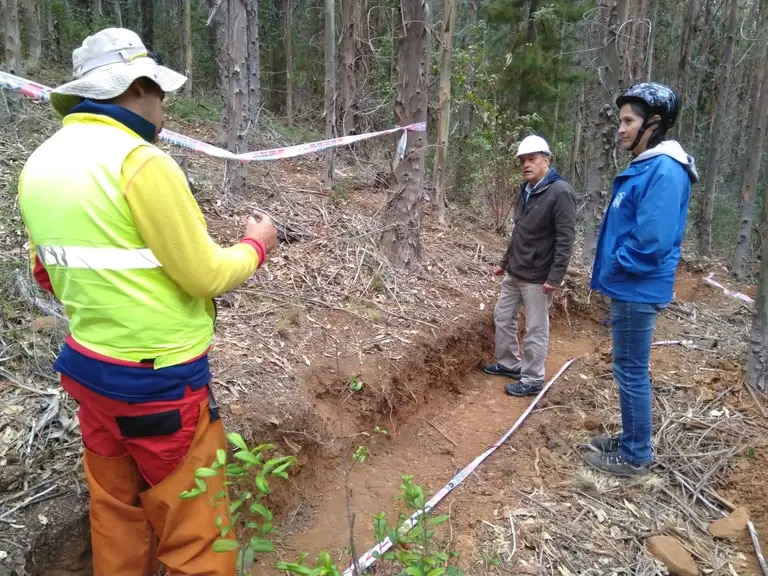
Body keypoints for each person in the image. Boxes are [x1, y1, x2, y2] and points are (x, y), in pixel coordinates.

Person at [17, 28, 277, 575]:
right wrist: (257, 245)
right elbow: (206, 274)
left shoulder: (39, 164)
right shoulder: (140, 162)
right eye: (160, 93)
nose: (164, 109)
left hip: (89, 371)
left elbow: (48, 274)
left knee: (114, 514)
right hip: (160, 385)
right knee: (195, 532)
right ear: (137, 87)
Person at [584, 82, 699, 478]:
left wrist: (615, 266)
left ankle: (635, 456)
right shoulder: (648, 165)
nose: (620, 128)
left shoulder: (665, 170)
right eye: (621, 121)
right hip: (631, 285)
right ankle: (633, 439)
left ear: (654, 123)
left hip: (636, 286)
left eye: (628, 121)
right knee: (628, 367)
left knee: (631, 370)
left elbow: (652, 239)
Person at [483, 135, 577, 397]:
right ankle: (509, 363)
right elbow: (519, 232)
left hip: (539, 277)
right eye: (523, 160)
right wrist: (505, 262)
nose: (526, 164)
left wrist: (555, 277)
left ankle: (533, 378)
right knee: (503, 316)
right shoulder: (525, 190)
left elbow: (565, 238)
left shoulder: (560, 193)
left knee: (536, 327)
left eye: (532, 159)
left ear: (546, 161)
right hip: (516, 270)